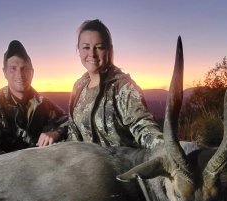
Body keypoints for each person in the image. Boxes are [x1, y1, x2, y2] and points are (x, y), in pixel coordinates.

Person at [68, 19, 163, 149]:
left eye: (99, 47)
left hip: (120, 167)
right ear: (78, 50)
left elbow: (143, 126)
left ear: (109, 50)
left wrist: (162, 148)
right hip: (83, 166)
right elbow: (72, 133)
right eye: (86, 47)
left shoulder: (123, 87)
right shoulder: (78, 86)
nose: (92, 53)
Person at [0, 40, 68, 160]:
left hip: (35, 168)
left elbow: (69, 121)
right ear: (5, 73)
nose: (20, 74)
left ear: (32, 73)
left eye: (24, 68)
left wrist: (55, 133)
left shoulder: (42, 104)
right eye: (13, 68)